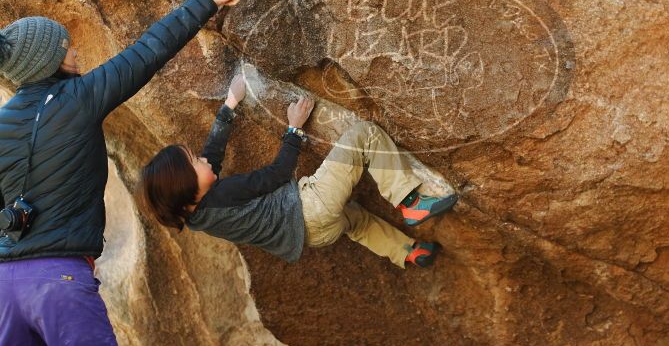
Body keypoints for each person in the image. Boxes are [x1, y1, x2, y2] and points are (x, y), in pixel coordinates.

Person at [0, 0, 248, 346]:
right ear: (48, 61)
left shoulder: (2, 123)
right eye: (66, 48)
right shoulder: (80, 98)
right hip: (61, 279)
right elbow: (149, 51)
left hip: (5, 285)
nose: (74, 52)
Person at [137, 72, 459, 269]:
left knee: (356, 220)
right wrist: (294, 130)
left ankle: (409, 252)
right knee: (364, 135)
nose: (203, 160)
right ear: (188, 192)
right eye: (194, 162)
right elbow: (277, 174)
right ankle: (410, 202)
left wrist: (229, 107)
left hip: (314, 236)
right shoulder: (222, 195)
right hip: (311, 207)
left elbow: (211, 159)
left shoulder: (199, 213)